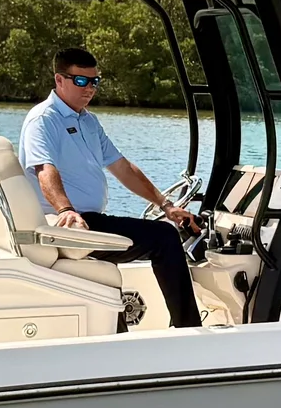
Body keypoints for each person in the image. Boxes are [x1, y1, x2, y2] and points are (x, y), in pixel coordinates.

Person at [18, 43, 203, 329]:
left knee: (162, 228)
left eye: (95, 81)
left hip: (91, 222)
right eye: (81, 81)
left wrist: (166, 205)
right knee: (164, 239)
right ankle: (189, 329)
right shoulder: (44, 120)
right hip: (69, 224)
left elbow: (122, 168)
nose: (89, 88)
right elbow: (45, 169)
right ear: (59, 80)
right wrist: (66, 210)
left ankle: (117, 334)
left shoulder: (88, 122)